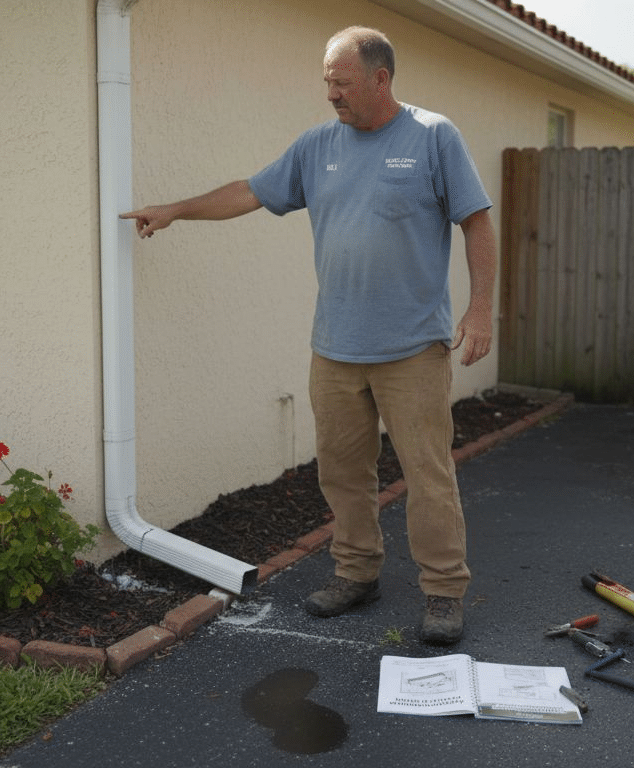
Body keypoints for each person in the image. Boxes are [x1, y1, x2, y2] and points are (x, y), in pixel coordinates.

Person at [121, 26, 495, 645]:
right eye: (327, 83)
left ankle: (444, 592)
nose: (332, 96)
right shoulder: (317, 145)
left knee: (427, 474)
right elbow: (249, 191)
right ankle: (356, 573)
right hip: (336, 349)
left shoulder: (433, 137)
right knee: (343, 473)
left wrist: (480, 312)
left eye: (342, 84)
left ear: (381, 79)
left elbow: (477, 224)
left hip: (412, 350)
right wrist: (175, 209)